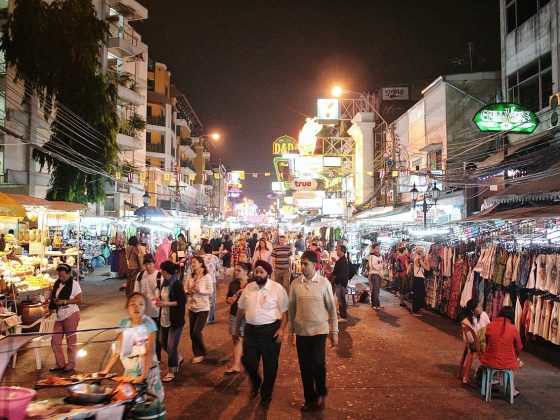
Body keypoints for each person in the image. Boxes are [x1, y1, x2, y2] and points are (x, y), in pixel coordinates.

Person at [234, 260, 288, 412]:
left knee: (270, 366)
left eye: (261, 272)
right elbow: (241, 309)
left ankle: (266, 395)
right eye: (256, 272)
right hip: (251, 331)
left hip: (270, 332)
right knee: (247, 360)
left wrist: (282, 329)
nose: (257, 274)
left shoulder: (277, 289)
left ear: (268, 274)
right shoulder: (249, 288)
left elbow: (285, 312)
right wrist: (236, 328)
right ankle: (256, 381)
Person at [288, 250, 338, 412]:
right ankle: (310, 399)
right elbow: (292, 309)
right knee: (305, 368)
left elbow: (331, 309)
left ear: (315, 265)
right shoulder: (295, 284)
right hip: (302, 332)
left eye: (305, 264)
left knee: (318, 364)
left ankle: (321, 392)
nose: (302, 267)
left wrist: (334, 331)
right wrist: (291, 331)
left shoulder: (324, 283)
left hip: (319, 331)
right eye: (301, 263)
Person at [100, 293, 164, 402]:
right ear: (127, 307)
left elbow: (150, 352)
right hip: (130, 373)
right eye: (132, 304)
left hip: (148, 372)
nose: (136, 307)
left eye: (141, 304)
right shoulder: (124, 323)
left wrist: (143, 376)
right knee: (130, 404)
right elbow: (117, 350)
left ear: (145, 307)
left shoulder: (149, 324)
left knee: (150, 405)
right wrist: (105, 371)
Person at [480, 306, 523, 396]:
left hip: (489, 360)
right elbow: (519, 347)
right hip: (506, 362)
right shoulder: (513, 328)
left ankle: (493, 382)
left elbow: (488, 343)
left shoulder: (490, 325)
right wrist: (515, 356)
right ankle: (512, 390)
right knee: (516, 363)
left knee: (499, 359)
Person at [49, 264, 82, 373]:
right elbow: (54, 297)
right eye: (59, 276)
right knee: (55, 341)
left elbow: (79, 300)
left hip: (71, 313)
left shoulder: (74, 284)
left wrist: (65, 301)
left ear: (69, 274)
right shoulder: (57, 284)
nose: (61, 278)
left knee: (71, 342)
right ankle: (60, 364)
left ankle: (71, 364)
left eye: (63, 276)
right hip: (59, 315)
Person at [157, 261, 186, 382]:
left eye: (162, 270)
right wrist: (158, 300)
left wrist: (167, 303)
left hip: (175, 320)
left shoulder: (176, 284)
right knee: (164, 344)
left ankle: (171, 371)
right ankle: (178, 358)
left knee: (171, 346)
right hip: (164, 317)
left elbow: (182, 301)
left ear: (166, 271)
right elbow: (163, 297)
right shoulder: (164, 283)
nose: (161, 273)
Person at [133, 253, 162, 360]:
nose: (148, 266)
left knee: (156, 336)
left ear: (154, 263)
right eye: (146, 264)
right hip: (144, 313)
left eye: (150, 263)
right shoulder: (140, 276)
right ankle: (146, 356)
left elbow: (163, 292)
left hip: (156, 311)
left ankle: (157, 357)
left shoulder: (159, 275)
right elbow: (136, 293)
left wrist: (159, 298)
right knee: (144, 336)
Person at [185, 256, 213, 364]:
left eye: (194, 262)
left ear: (201, 263)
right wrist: (188, 291)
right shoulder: (189, 277)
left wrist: (199, 290)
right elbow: (185, 289)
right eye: (191, 262)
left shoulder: (207, 277)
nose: (192, 264)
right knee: (192, 333)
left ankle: (201, 353)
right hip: (192, 307)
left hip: (203, 308)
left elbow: (210, 291)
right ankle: (197, 353)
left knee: (196, 331)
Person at [225, 262, 252, 375]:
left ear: (246, 272)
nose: (236, 272)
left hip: (249, 315)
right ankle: (236, 365)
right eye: (235, 270)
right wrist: (229, 300)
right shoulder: (233, 284)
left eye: (238, 270)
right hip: (235, 314)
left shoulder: (253, 283)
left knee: (247, 341)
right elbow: (228, 298)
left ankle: (246, 364)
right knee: (236, 339)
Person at [201, 244, 219, 324]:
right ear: (211, 249)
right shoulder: (215, 257)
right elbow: (219, 268)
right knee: (212, 300)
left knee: (204, 299)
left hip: (202, 281)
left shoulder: (201, 258)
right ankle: (210, 319)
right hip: (212, 280)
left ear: (204, 250)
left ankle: (202, 317)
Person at [331, 245, 349, 320]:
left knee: (341, 300)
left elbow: (336, 273)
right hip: (342, 283)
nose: (336, 251)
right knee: (341, 299)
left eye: (338, 250)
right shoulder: (342, 260)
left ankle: (343, 316)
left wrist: (332, 281)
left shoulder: (341, 261)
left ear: (342, 251)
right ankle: (342, 312)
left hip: (340, 283)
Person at [411, 247, 430, 316]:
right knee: (418, 295)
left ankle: (416, 309)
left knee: (418, 294)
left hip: (417, 279)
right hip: (419, 279)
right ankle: (415, 311)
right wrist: (427, 260)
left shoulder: (417, 258)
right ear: (421, 252)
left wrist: (425, 260)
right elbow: (427, 268)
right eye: (424, 252)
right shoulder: (419, 259)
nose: (424, 253)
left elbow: (421, 266)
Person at [367, 244, 384, 310]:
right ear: (373, 249)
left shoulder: (379, 256)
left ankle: (376, 304)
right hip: (374, 275)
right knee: (375, 291)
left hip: (378, 275)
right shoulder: (372, 256)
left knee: (376, 291)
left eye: (379, 248)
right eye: (377, 248)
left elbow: (380, 264)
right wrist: (382, 265)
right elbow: (373, 266)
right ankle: (375, 305)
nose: (378, 250)